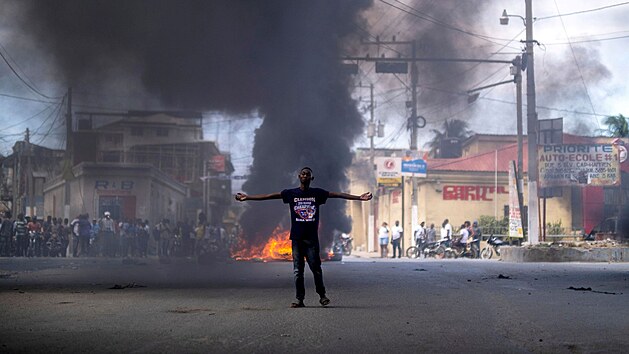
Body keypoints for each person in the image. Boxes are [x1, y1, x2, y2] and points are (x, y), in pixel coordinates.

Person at [235, 166, 372, 308]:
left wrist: (359, 198)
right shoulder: (291, 194)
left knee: (316, 269)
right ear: (299, 177)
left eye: (308, 174)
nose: (305, 175)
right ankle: (299, 299)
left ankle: (322, 295)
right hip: (297, 239)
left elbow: (337, 194)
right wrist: (247, 197)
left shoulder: (317, 193)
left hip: (311, 239)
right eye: (303, 174)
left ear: (311, 178)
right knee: (297, 271)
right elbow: (269, 196)